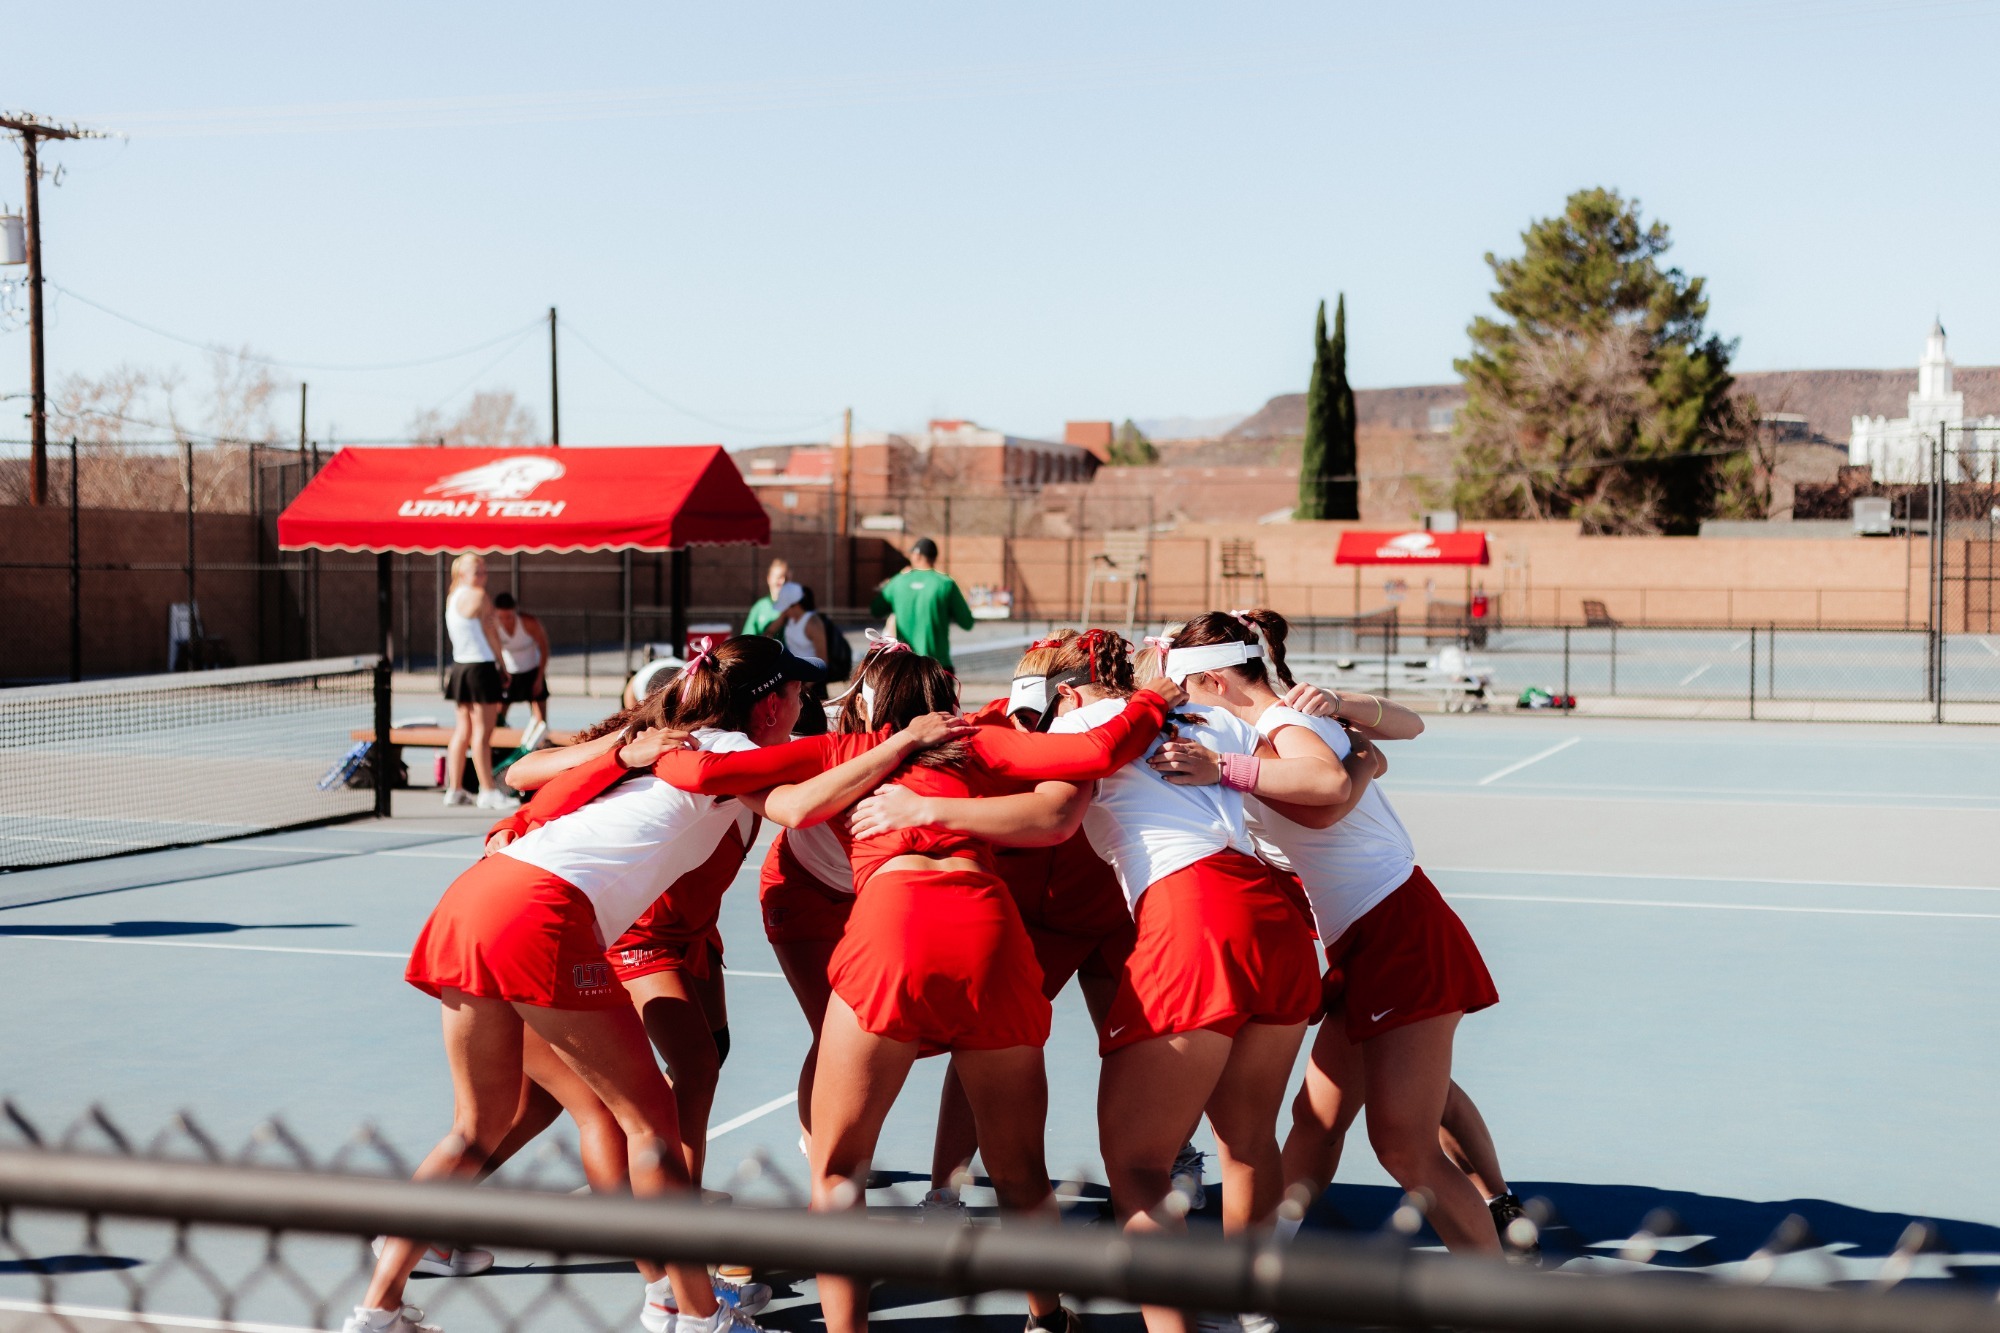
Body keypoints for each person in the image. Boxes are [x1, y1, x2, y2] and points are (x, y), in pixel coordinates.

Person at [350, 637, 958, 1333]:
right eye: (798, 692)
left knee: (478, 1125)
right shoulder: (720, 754)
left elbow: (787, 788)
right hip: (542, 913)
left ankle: (377, 1307)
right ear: (768, 704)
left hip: (476, 897)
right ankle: (691, 1312)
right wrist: (905, 738)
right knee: (648, 1126)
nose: (808, 702)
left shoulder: (693, 748)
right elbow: (799, 802)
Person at [651, 648, 1181, 1333]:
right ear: (944, 699)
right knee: (1021, 1169)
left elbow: (720, 773)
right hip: (987, 930)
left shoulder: (842, 747)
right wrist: (1151, 700)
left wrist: (644, 746)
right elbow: (1093, 756)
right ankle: (1047, 1315)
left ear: (866, 702)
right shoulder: (975, 741)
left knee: (839, 1174)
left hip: (892, 927)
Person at [1154, 610, 1504, 1259]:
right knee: (1316, 1123)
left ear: (1217, 680)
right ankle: (1261, 1264)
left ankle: (1496, 1294)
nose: (1188, 704)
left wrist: (1221, 767)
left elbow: (1327, 785)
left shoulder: (1281, 724)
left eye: (1191, 688)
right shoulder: (1279, 721)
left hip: (1400, 927)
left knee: (1404, 1144)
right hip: (1363, 937)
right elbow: (1365, 763)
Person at [1041, 628, 1359, 1333]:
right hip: (1272, 923)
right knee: (1247, 1139)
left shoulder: (1079, 723)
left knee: (1137, 1164)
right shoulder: (1215, 718)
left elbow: (1043, 809)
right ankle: (1256, 1310)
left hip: (1191, 917)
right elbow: (1336, 772)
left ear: (1065, 691)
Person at [441, 554, 514, 810]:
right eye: (477, 571)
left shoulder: (453, 597)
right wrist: (503, 665)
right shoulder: (478, 596)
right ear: (462, 573)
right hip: (480, 667)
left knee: (463, 731)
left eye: (484, 570)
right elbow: (491, 634)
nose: (483, 575)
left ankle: (455, 789)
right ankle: (487, 790)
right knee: (482, 733)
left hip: (461, 667)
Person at [869, 538, 973, 670]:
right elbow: (967, 623)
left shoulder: (897, 581)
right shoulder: (945, 583)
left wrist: (888, 585)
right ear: (934, 557)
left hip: (905, 666)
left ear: (917, 555)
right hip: (937, 667)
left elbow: (876, 610)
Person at [491, 592, 551, 730]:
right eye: (501, 617)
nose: (505, 621)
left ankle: (542, 745)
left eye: (509, 617)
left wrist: (539, 678)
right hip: (509, 673)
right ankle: (499, 748)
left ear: (515, 611)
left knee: (541, 721)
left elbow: (544, 648)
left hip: (532, 670)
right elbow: (493, 652)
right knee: (498, 717)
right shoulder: (493, 627)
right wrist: (502, 672)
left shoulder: (529, 623)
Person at [741, 558, 792, 636]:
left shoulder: (796, 606)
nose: (782, 581)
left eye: (786, 578)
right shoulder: (760, 607)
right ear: (769, 578)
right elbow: (747, 638)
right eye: (779, 577)